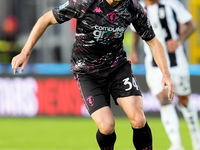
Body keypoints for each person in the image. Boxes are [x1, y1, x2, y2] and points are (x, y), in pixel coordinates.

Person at [11, 0, 175, 149]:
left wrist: (165, 73)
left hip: (117, 68)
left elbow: (153, 41)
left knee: (139, 120)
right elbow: (45, 19)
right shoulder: (84, 3)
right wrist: (25, 52)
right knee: (107, 126)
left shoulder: (132, 7)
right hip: (87, 71)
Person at [130, 0, 200, 150]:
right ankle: (176, 144)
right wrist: (134, 51)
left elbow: (192, 25)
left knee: (184, 100)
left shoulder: (171, 4)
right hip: (154, 65)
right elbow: (135, 31)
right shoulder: (138, 7)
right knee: (164, 100)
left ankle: (197, 141)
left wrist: (179, 40)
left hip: (176, 61)